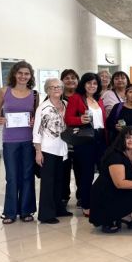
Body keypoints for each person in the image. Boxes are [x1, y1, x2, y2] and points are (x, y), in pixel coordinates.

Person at [0, 61, 38, 224]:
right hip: (10, 140)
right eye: (20, 73)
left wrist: (34, 121)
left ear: (30, 76)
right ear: (14, 74)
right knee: (12, 177)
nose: (23, 76)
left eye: (26, 74)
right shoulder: (4, 91)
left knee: (27, 176)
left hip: (28, 140)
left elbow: (36, 116)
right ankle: (10, 212)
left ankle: (27, 210)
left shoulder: (34, 94)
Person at [89, 127, 132, 233]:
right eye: (127, 137)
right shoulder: (115, 155)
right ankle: (108, 219)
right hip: (106, 193)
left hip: (119, 190)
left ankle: (125, 216)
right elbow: (120, 183)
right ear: (121, 139)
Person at [64, 72, 106, 218]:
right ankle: (86, 204)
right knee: (86, 173)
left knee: (104, 171)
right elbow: (68, 119)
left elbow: (103, 121)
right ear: (83, 84)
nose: (92, 86)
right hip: (85, 139)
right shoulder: (76, 97)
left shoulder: (98, 99)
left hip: (101, 138)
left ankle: (100, 199)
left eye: (95, 83)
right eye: (89, 83)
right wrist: (80, 120)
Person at [33, 78, 71, 224]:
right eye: (52, 87)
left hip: (62, 149)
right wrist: (38, 152)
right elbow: (37, 131)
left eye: (59, 87)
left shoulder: (66, 104)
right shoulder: (42, 108)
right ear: (47, 90)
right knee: (48, 183)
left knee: (59, 181)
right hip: (47, 149)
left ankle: (59, 209)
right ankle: (46, 214)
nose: (56, 89)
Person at [60, 69, 81, 207]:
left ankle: (81, 195)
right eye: (66, 78)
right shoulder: (56, 96)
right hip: (62, 139)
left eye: (73, 78)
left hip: (80, 138)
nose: (70, 80)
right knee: (63, 168)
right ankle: (63, 195)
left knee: (80, 168)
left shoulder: (82, 96)